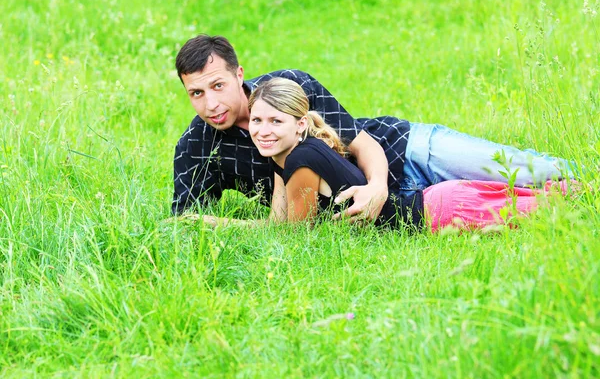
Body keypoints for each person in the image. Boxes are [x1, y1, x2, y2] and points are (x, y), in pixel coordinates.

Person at [172, 34, 576, 221]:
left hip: (404, 151)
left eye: (218, 86)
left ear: (238, 74)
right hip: (406, 208)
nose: (211, 104)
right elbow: (185, 222)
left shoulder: (288, 88)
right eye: (196, 93)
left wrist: (379, 188)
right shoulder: (197, 144)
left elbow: (361, 143)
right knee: (523, 205)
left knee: (545, 174)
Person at [197, 77, 571, 232]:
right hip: (436, 203)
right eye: (257, 120)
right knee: (561, 196)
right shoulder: (282, 157)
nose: (262, 130)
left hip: (437, 213)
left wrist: (214, 223)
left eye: (275, 121)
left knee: (567, 203)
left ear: (299, 125)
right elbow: (279, 221)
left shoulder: (301, 160)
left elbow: (290, 233)